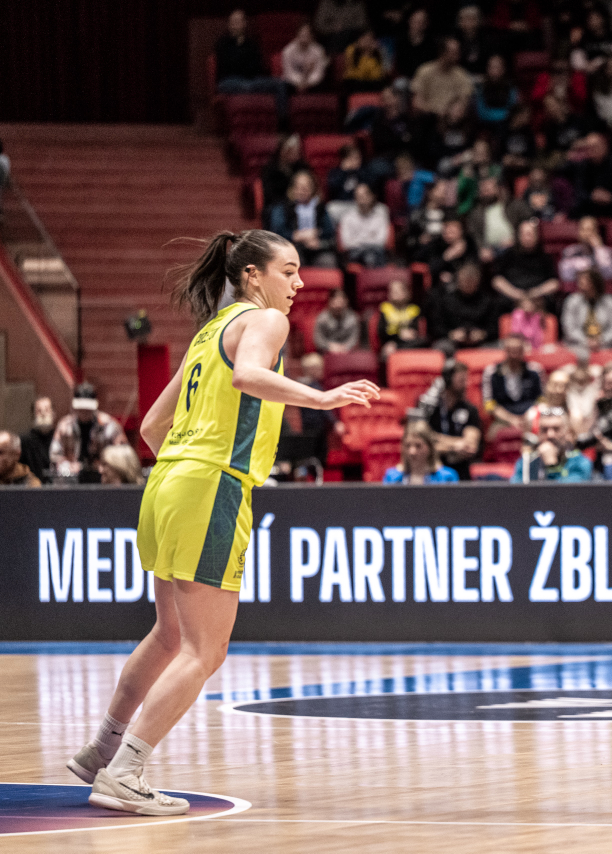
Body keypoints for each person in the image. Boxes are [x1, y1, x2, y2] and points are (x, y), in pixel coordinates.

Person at [67, 229, 378, 815]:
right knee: (205, 650)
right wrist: (322, 398)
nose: (299, 283)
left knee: (168, 636)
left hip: (167, 481)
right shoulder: (265, 321)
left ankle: (100, 750)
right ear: (252, 276)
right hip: (212, 485)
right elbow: (248, 377)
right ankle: (125, 771)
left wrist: (187, 465)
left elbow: (151, 427)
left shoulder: (209, 332)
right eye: (289, 271)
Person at [214, 10, 287, 117]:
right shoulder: (222, 43)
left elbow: (257, 66)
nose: (235, 25)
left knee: (280, 84)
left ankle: (282, 121)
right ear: (229, 25)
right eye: (233, 22)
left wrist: (243, 64)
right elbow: (228, 67)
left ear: (244, 23)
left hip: (252, 81)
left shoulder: (252, 43)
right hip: (229, 81)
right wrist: (243, 60)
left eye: (238, 22)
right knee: (245, 86)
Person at [50, 383, 127, 478]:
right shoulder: (65, 426)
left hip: (104, 478)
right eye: (81, 407)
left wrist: (105, 466)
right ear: (75, 406)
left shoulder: (109, 425)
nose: (84, 411)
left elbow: (124, 455)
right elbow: (54, 456)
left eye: (88, 408)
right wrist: (67, 466)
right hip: (72, 478)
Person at [267, 170, 337, 268]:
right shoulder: (282, 208)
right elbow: (277, 232)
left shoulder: (320, 208)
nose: (302, 191)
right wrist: (295, 236)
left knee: (328, 261)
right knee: (294, 260)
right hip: (293, 247)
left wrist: (317, 234)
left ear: (312, 189)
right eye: (298, 187)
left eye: (305, 188)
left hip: (316, 248)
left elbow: (329, 231)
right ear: (292, 189)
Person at [482, 335, 545, 437]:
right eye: (511, 350)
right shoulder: (491, 372)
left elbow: (542, 399)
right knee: (492, 436)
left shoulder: (535, 370)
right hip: (503, 418)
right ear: (505, 350)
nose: (514, 355)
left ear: (523, 350)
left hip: (531, 416)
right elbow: (489, 404)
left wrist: (529, 416)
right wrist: (511, 419)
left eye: (517, 350)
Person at [512, 406, 593, 482]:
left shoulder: (579, 462)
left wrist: (552, 466)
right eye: (544, 430)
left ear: (567, 433)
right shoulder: (526, 463)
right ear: (538, 434)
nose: (550, 435)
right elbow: (514, 489)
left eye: (556, 429)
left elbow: (570, 491)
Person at [492, 219, 560, 307]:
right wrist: (516, 295)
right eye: (524, 234)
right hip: (512, 300)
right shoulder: (508, 255)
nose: (527, 238)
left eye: (530, 234)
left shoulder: (545, 256)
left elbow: (554, 283)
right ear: (518, 236)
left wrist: (536, 293)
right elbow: (497, 281)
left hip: (539, 300)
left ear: (537, 235)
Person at [431, 262, 500, 347]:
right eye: (465, 280)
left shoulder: (488, 301)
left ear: (478, 281)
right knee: (442, 346)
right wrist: (451, 334)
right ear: (458, 280)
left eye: (472, 281)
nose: (468, 283)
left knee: (498, 347)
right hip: (451, 341)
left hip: (482, 342)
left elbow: (494, 329)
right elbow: (436, 328)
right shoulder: (445, 300)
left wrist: (482, 334)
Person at [561, 267, 612, 350]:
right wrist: (586, 341)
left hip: (606, 346)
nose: (579, 283)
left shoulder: (611, 302)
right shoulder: (572, 301)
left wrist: (601, 340)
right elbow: (569, 328)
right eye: (579, 281)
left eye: (584, 281)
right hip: (577, 346)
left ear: (595, 282)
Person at [412, 37, 475, 116]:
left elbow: (464, 100)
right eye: (454, 53)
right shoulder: (425, 71)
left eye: (458, 52)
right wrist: (433, 112)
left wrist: (456, 109)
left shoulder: (461, 75)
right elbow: (417, 101)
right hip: (427, 115)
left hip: (451, 117)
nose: (458, 56)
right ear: (443, 53)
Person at [384, 422, 459, 483]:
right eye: (408, 445)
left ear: (430, 447)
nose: (412, 452)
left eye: (418, 446)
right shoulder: (392, 478)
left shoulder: (447, 477)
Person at [338, 183, 390, 267]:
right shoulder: (347, 218)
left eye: (364, 195)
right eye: (358, 196)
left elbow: (381, 241)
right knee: (368, 257)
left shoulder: (380, 217)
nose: (361, 199)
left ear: (371, 197)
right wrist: (369, 239)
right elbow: (346, 242)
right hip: (355, 253)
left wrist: (359, 241)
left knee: (372, 256)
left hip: (376, 252)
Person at [260, 134, 310, 212]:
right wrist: (288, 200)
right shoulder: (270, 170)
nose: (296, 154)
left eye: (297, 151)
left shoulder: (301, 167)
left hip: (301, 202)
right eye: (292, 151)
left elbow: (311, 185)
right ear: (283, 152)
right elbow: (270, 195)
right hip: (278, 204)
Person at [377, 278, 425, 357]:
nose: (395, 293)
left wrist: (403, 338)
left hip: (409, 344)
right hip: (389, 343)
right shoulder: (385, 308)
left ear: (406, 293)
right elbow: (382, 333)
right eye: (392, 291)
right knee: (389, 350)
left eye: (399, 291)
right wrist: (399, 335)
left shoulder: (413, 310)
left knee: (423, 342)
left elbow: (414, 332)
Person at [281, 23, 328, 94]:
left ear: (312, 37)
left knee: (323, 85)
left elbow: (319, 72)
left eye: (307, 35)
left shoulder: (318, 51)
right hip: (293, 83)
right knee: (283, 86)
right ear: (297, 35)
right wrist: (300, 82)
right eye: (302, 35)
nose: (304, 38)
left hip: (313, 84)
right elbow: (288, 72)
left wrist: (307, 83)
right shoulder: (288, 51)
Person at [312, 288, 361, 353]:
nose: (338, 306)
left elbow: (354, 339)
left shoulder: (353, 319)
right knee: (312, 359)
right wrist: (329, 346)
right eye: (335, 302)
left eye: (340, 302)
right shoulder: (322, 318)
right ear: (330, 302)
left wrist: (345, 347)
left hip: (347, 352)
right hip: (326, 352)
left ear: (346, 302)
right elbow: (318, 339)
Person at [20, 396, 56, 482]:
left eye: (47, 410)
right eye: (39, 411)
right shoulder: (24, 440)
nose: (43, 414)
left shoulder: (59, 438)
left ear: (53, 414)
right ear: (33, 415)